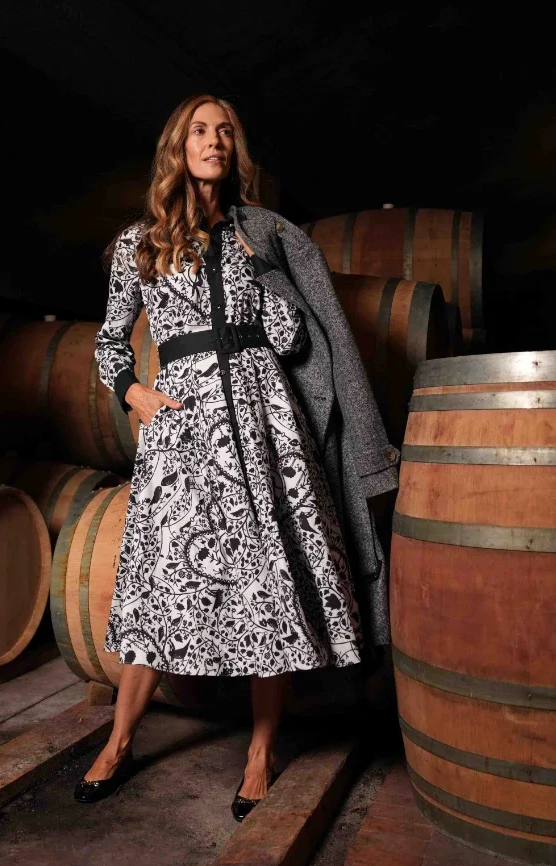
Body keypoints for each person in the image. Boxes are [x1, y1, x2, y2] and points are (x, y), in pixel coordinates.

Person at [75, 93, 366, 822]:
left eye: (226, 132)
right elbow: (109, 340)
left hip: (263, 418)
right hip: (184, 425)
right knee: (160, 585)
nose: (215, 141)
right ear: (179, 147)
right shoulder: (139, 243)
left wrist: (266, 277)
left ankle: (260, 754)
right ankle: (118, 742)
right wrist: (134, 393)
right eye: (201, 131)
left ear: (236, 151)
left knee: (272, 579)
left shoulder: (254, 235)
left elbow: (292, 340)